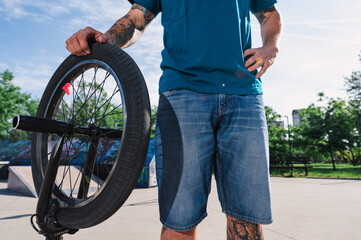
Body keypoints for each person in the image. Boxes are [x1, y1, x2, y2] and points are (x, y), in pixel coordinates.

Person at [66, 0, 282, 239]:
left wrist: (271, 47)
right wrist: (104, 40)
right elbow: (136, 20)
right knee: (180, 217)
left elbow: (270, 15)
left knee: (247, 216)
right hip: (183, 93)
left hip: (244, 94)